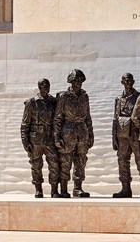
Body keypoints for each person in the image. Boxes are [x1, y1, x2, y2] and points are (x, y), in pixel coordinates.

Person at [53, 69, 94, 198]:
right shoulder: (63, 96)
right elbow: (58, 117)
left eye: (80, 80)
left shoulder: (84, 96)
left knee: (81, 160)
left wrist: (91, 134)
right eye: (76, 80)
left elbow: (88, 117)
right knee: (65, 160)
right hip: (67, 131)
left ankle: (78, 188)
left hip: (82, 131)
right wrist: (56, 136)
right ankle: (64, 189)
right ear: (71, 81)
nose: (78, 83)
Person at [21, 78, 60, 198]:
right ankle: (38, 189)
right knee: (36, 165)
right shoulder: (31, 103)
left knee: (54, 165)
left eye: (48, 86)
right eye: (44, 86)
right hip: (35, 139)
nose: (46, 88)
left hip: (50, 138)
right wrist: (25, 141)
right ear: (39, 87)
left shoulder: (54, 102)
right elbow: (25, 124)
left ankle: (54, 190)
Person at [112, 73, 140, 198]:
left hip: (135, 134)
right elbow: (115, 118)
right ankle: (126, 188)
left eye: (130, 80)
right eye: (125, 80)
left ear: (133, 81)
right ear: (122, 82)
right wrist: (114, 137)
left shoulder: (139, 97)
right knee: (123, 161)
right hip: (122, 135)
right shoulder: (119, 98)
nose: (128, 82)